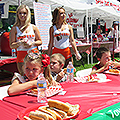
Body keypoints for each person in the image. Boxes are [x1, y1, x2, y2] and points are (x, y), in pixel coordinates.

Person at [9, 5, 42, 75]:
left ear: (28, 14)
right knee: (23, 76)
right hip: (21, 54)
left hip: (33, 54)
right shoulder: (15, 28)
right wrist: (20, 43)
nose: (22, 15)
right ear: (17, 15)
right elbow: (12, 45)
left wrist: (32, 43)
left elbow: (40, 41)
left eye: (24, 13)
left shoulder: (33, 27)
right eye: (20, 13)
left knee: (35, 75)